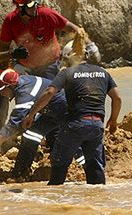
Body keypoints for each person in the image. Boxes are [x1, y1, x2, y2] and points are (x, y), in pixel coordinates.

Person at [22, 40, 121, 185]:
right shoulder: (103, 72)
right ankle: (98, 201)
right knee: (95, 168)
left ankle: (56, 200)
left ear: (70, 56)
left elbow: (49, 92)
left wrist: (31, 114)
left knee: (59, 164)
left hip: (75, 124)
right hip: (97, 124)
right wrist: (113, 120)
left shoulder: (67, 73)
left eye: (66, 58)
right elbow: (117, 98)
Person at [0, 68, 84, 181]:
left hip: (66, 111)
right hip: (51, 111)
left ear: (11, 86)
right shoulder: (23, 82)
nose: (2, 93)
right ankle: (20, 174)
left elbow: (13, 124)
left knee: (72, 142)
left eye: (3, 89)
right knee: (30, 135)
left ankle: (91, 170)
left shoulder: (25, 92)